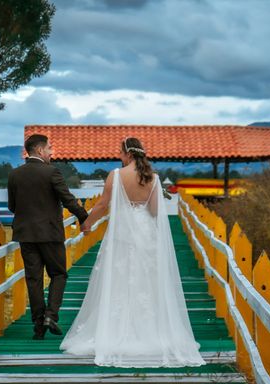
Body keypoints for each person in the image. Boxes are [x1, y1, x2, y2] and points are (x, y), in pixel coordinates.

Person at [61, 137, 205, 367]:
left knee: (119, 278)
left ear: (127, 153)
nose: (119, 157)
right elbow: (156, 210)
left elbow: (102, 205)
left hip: (122, 233)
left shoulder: (116, 176)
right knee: (146, 280)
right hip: (146, 233)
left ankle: (116, 330)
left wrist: (87, 223)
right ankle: (151, 331)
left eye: (120, 153)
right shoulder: (153, 178)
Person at [7, 134, 89, 340]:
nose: (52, 153)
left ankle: (38, 324)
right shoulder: (52, 172)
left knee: (33, 279)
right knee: (58, 274)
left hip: (26, 234)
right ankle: (50, 316)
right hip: (50, 234)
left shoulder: (15, 175)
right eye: (49, 148)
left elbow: (12, 206)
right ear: (40, 150)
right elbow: (68, 200)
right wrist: (84, 217)